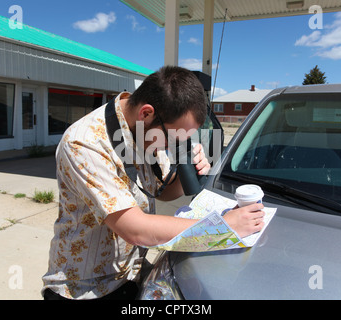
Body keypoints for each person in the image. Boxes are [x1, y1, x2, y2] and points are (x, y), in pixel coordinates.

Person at [42, 66, 265, 300]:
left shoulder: (147, 131)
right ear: (146, 113)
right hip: (85, 289)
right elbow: (135, 230)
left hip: (130, 275)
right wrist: (220, 226)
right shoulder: (85, 144)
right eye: (173, 138)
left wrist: (188, 171)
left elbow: (163, 191)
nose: (170, 147)